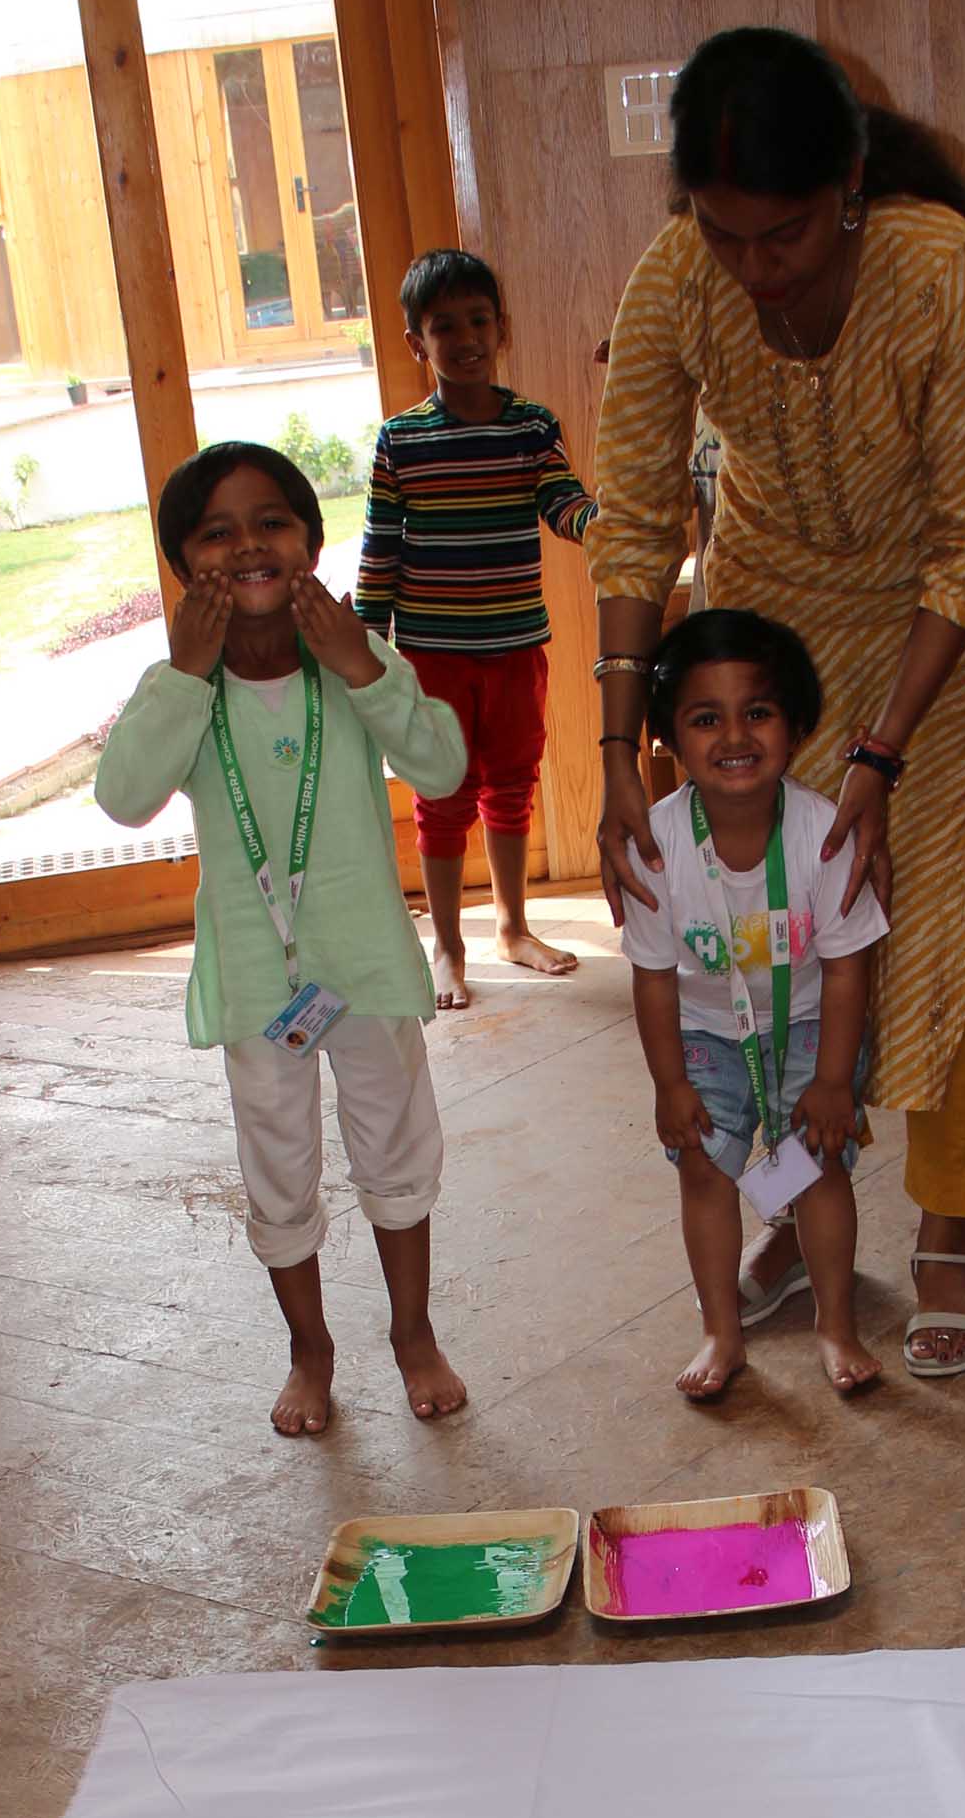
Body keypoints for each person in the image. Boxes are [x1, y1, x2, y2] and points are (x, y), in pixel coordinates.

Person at [590, 28, 965, 1380]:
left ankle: (947, 1229)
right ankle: (795, 1203)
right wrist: (616, 750)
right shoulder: (677, 278)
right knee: (772, 936)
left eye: (782, 234)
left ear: (848, 185)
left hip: (940, 644)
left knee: (928, 927)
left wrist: (879, 757)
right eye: (722, 233)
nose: (754, 267)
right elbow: (633, 526)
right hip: (772, 637)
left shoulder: (935, 267)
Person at [95, 441, 471, 1438]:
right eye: (216, 532)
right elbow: (124, 797)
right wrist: (185, 672)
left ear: (310, 541)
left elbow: (441, 770)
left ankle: (413, 1334)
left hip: (368, 969)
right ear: (183, 564)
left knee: (397, 1150)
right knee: (277, 1164)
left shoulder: (354, 661)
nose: (249, 545)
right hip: (259, 981)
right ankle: (310, 1350)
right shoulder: (180, 682)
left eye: (272, 522)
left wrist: (363, 667)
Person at [621, 609, 887, 1402]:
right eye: (706, 718)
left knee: (818, 1165)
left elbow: (847, 969)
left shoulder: (827, 834)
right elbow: (653, 979)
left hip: (811, 1022)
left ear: (797, 728)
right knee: (703, 1169)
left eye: (758, 712)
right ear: (668, 738)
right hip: (705, 1031)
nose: (734, 736)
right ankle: (721, 1332)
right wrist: (670, 1084)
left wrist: (833, 1081)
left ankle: (836, 1326)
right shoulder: (653, 848)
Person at [353, 247, 597, 1007]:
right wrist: (361, 645)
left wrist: (603, 524)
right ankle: (448, 945)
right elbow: (380, 550)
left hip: (517, 650)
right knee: (442, 793)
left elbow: (563, 501)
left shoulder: (532, 425)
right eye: (444, 326)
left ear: (503, 329)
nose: (466, 339)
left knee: (513, 786)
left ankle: (513, 927)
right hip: (432, 658)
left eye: (479, 321)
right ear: (415, 343)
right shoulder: (401, 441)